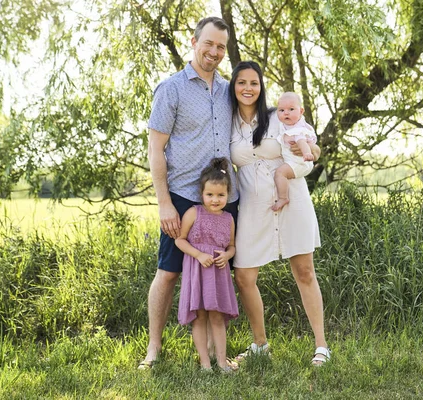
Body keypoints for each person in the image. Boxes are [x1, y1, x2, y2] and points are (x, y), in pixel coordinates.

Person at [140, 16, 239, 370]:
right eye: (209, 44)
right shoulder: (172, 89)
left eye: (221, 47)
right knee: (168, 271)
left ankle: (217, 353)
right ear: (194, 41)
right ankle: (154, 347)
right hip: (182, 195)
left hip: (223, 196)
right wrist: (164, 202)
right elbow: (155, 150)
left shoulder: (229, 90)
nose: (214, 52)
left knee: (223, 269)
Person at [229, 61, 331, 366]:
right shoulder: (227, 121)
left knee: (305, 271)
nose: (248, 88)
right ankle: (260, 344)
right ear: (233, 87)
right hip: (252, 206)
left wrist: (307, 154)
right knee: (244, 275)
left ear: (261, 88)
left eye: (254, 83)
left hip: (293, 200)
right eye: (241, 83)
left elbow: (308, 147)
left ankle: (321, 347)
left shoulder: (278, 117)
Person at [176, 157, 239, 372]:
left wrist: (228, 255)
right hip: (198, 271)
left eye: (220, 195)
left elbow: (232, 246)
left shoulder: (229, 218)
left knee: (217, 316)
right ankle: (205, 364)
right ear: (202, 194)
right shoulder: (194, 213)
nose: (215, 200)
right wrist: (198, 255)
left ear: (228, 194)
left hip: (218, 273)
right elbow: (180, 240)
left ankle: (221, 362)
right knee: (200, 317)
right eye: (210, 195)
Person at [272, 92, 317, 211]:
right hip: (296, 161)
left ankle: (283, 197)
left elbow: (302, 141)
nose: (286, 113)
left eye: (291, 109)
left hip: (300, 162)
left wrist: (307, 153)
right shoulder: (287, 125)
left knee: (280, 173)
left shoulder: (297, 129)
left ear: (301, 111)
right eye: (281, 110)